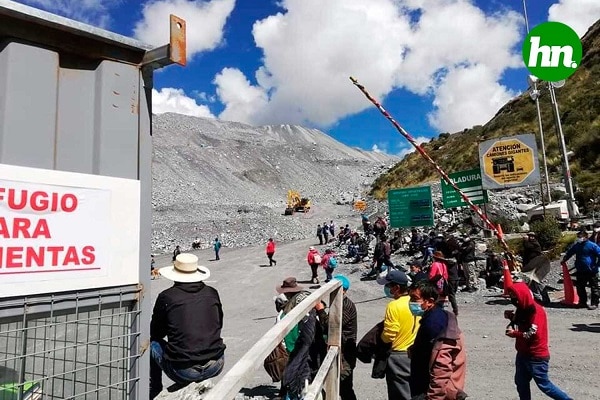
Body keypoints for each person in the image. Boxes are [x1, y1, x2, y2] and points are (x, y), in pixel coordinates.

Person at [150, 253, 225, 399]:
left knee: (151, 343)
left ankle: (154, 391)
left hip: (184, 370)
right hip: (216, 363)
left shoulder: (167, 297)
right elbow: (219, 323)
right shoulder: (212, 293)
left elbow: (156, 332)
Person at [504, 282, 572, 400]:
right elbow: (522, 322)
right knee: (521, 383)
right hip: (522, 353)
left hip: (536, 356)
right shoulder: (522, 309)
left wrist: (514, 334)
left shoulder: (536, 311)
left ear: (522, 296)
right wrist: (511, 317)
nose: (513, 299)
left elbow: (532, 333)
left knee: (544, 385)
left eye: (515, 296)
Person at [408, 281, 467, 400]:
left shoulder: (434, 325)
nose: (411, 302)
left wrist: (434, 396)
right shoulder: (437, 316)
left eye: (415, 299)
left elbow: (442, 366)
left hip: (429, 390)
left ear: (429, 301)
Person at [277, 277, 327, 400]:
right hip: (317, 339)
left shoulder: (290, 307)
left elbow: (289, 335)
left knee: (298, 371)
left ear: (287, 293)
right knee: (313, 371)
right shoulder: (308, 296)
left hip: (305, 342)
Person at [378, 270, 420, 400]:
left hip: (398, 355)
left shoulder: (393, 306)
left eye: (389, 286)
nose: (387, 289)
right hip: (415, 352)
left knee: (399, 394)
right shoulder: (416, 302)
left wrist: (380, 338)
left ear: (396, 288)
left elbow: (389, 335)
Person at [315, 275, 358, 400]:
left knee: (344, 387)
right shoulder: (338, 303)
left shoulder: (345, 306)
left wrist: (320, 310)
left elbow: (331, 326)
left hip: (345, 353)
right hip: (342, 350)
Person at [562, 229, 600, 310]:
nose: (579, 238)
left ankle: (594, 303)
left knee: (594, 288)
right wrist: (564, 259)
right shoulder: (577, 245)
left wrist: (597, 265)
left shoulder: (592, 245)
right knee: (580, 287)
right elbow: (570, 252)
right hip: (580, 270)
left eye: (580, 237)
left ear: (586, 237)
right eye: (578, 237)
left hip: (592, 271)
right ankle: (582, 302)